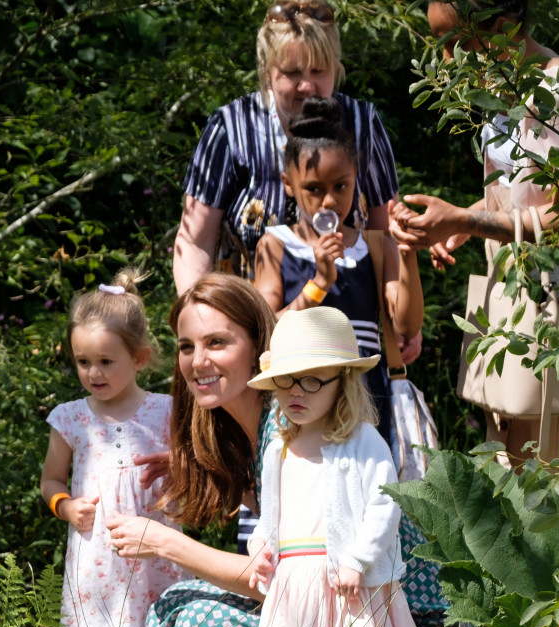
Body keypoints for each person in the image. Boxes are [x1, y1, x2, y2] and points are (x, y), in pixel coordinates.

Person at [388, 0, 559, 464]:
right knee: (510, 466)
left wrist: (467, 221)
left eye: (457, 43)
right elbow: (519, 197)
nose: (448, 61)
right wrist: (460, 223)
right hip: (515, 306)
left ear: (504, 26)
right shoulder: (500, 96)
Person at [174, 0, 423, 365]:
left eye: (319, 70)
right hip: (250, 334)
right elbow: (194, 242)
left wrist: (403, 320)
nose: (307, 85)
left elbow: (387, 231)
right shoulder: (231, 129)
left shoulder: (363, 124)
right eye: (291, 72)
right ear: (266, 70)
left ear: (336, 68)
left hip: (352, 338)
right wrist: (201, 325)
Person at [242, 308, 432, 627]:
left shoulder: (361, 441)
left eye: (311, 380)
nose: (296, 391)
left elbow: (385, 505)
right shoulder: (280, 448)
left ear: (342, 381)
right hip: (296, 592)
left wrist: (358, 560)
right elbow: (272, 517)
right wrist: (261, 549)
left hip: (348, 590)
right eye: (286, 380)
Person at [111, 275, 277, 627]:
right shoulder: (248, 427)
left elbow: (276, 580)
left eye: (217, 343)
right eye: (187, 346)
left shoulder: (287, 428)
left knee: (200, 624)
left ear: (259, 344)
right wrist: (203, 468)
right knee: (171, 604)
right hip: (318, 612)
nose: (198, 361)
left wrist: (164, 543)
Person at [251, 96, 423, 451]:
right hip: (300, 400)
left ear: (356, 178)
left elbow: (406, 326)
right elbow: (266, 329)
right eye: (313, 189)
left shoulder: (377, 245)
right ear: (288, 183)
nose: (328, 201)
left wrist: (408, 254)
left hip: (367, 400)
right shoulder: (275, 244)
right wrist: (317, 285)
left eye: (341, 186)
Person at [38, 273, 181, 627]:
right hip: (99, 558)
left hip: (156, 550)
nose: (93, 373)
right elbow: (50, 479)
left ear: (139, 358)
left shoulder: (166, 410)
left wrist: (180, 486)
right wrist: (64, 506)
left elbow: (189, 470)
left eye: (105, 361)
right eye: (83, 362)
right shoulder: (71, 418)